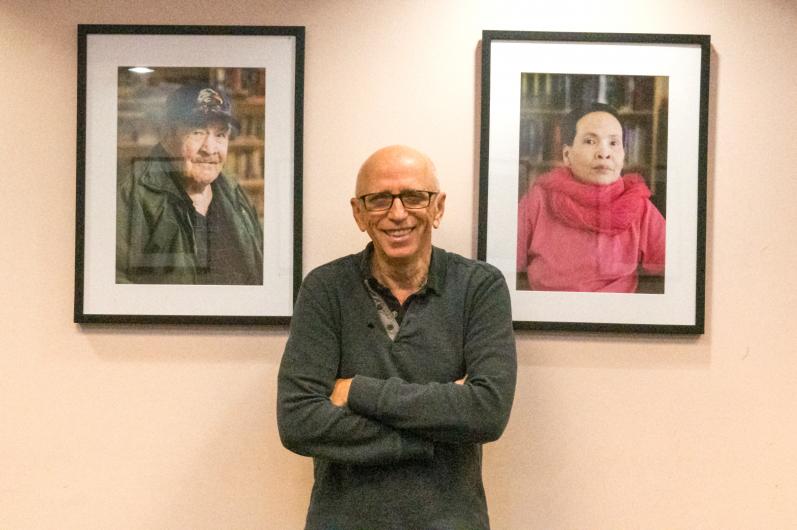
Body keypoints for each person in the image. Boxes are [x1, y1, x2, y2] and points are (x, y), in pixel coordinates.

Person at [277, 145, 517, 529]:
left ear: (437, 207)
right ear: (359, 213)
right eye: (379, 200)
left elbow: (487, 412)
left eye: (413, 196)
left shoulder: (479, 287)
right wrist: (430, 437)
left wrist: (356, 391)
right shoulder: (325, 289)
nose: (398, 213)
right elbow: (299, 421)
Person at [116, 84, 263, 285]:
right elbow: (111, 284)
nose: (210, 149)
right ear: (167, 135)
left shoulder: (235, 193)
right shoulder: (131, 194)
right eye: (197, 132)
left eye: (220, 135)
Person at [516, 102, 666, 292]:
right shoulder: (539, 200)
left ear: (623, 154)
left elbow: (675, 273)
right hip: (548, 314)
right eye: (590, 141)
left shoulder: (639, 206)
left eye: (613, 143)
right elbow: (503, 267)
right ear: (567, 155)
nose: (604, 153)